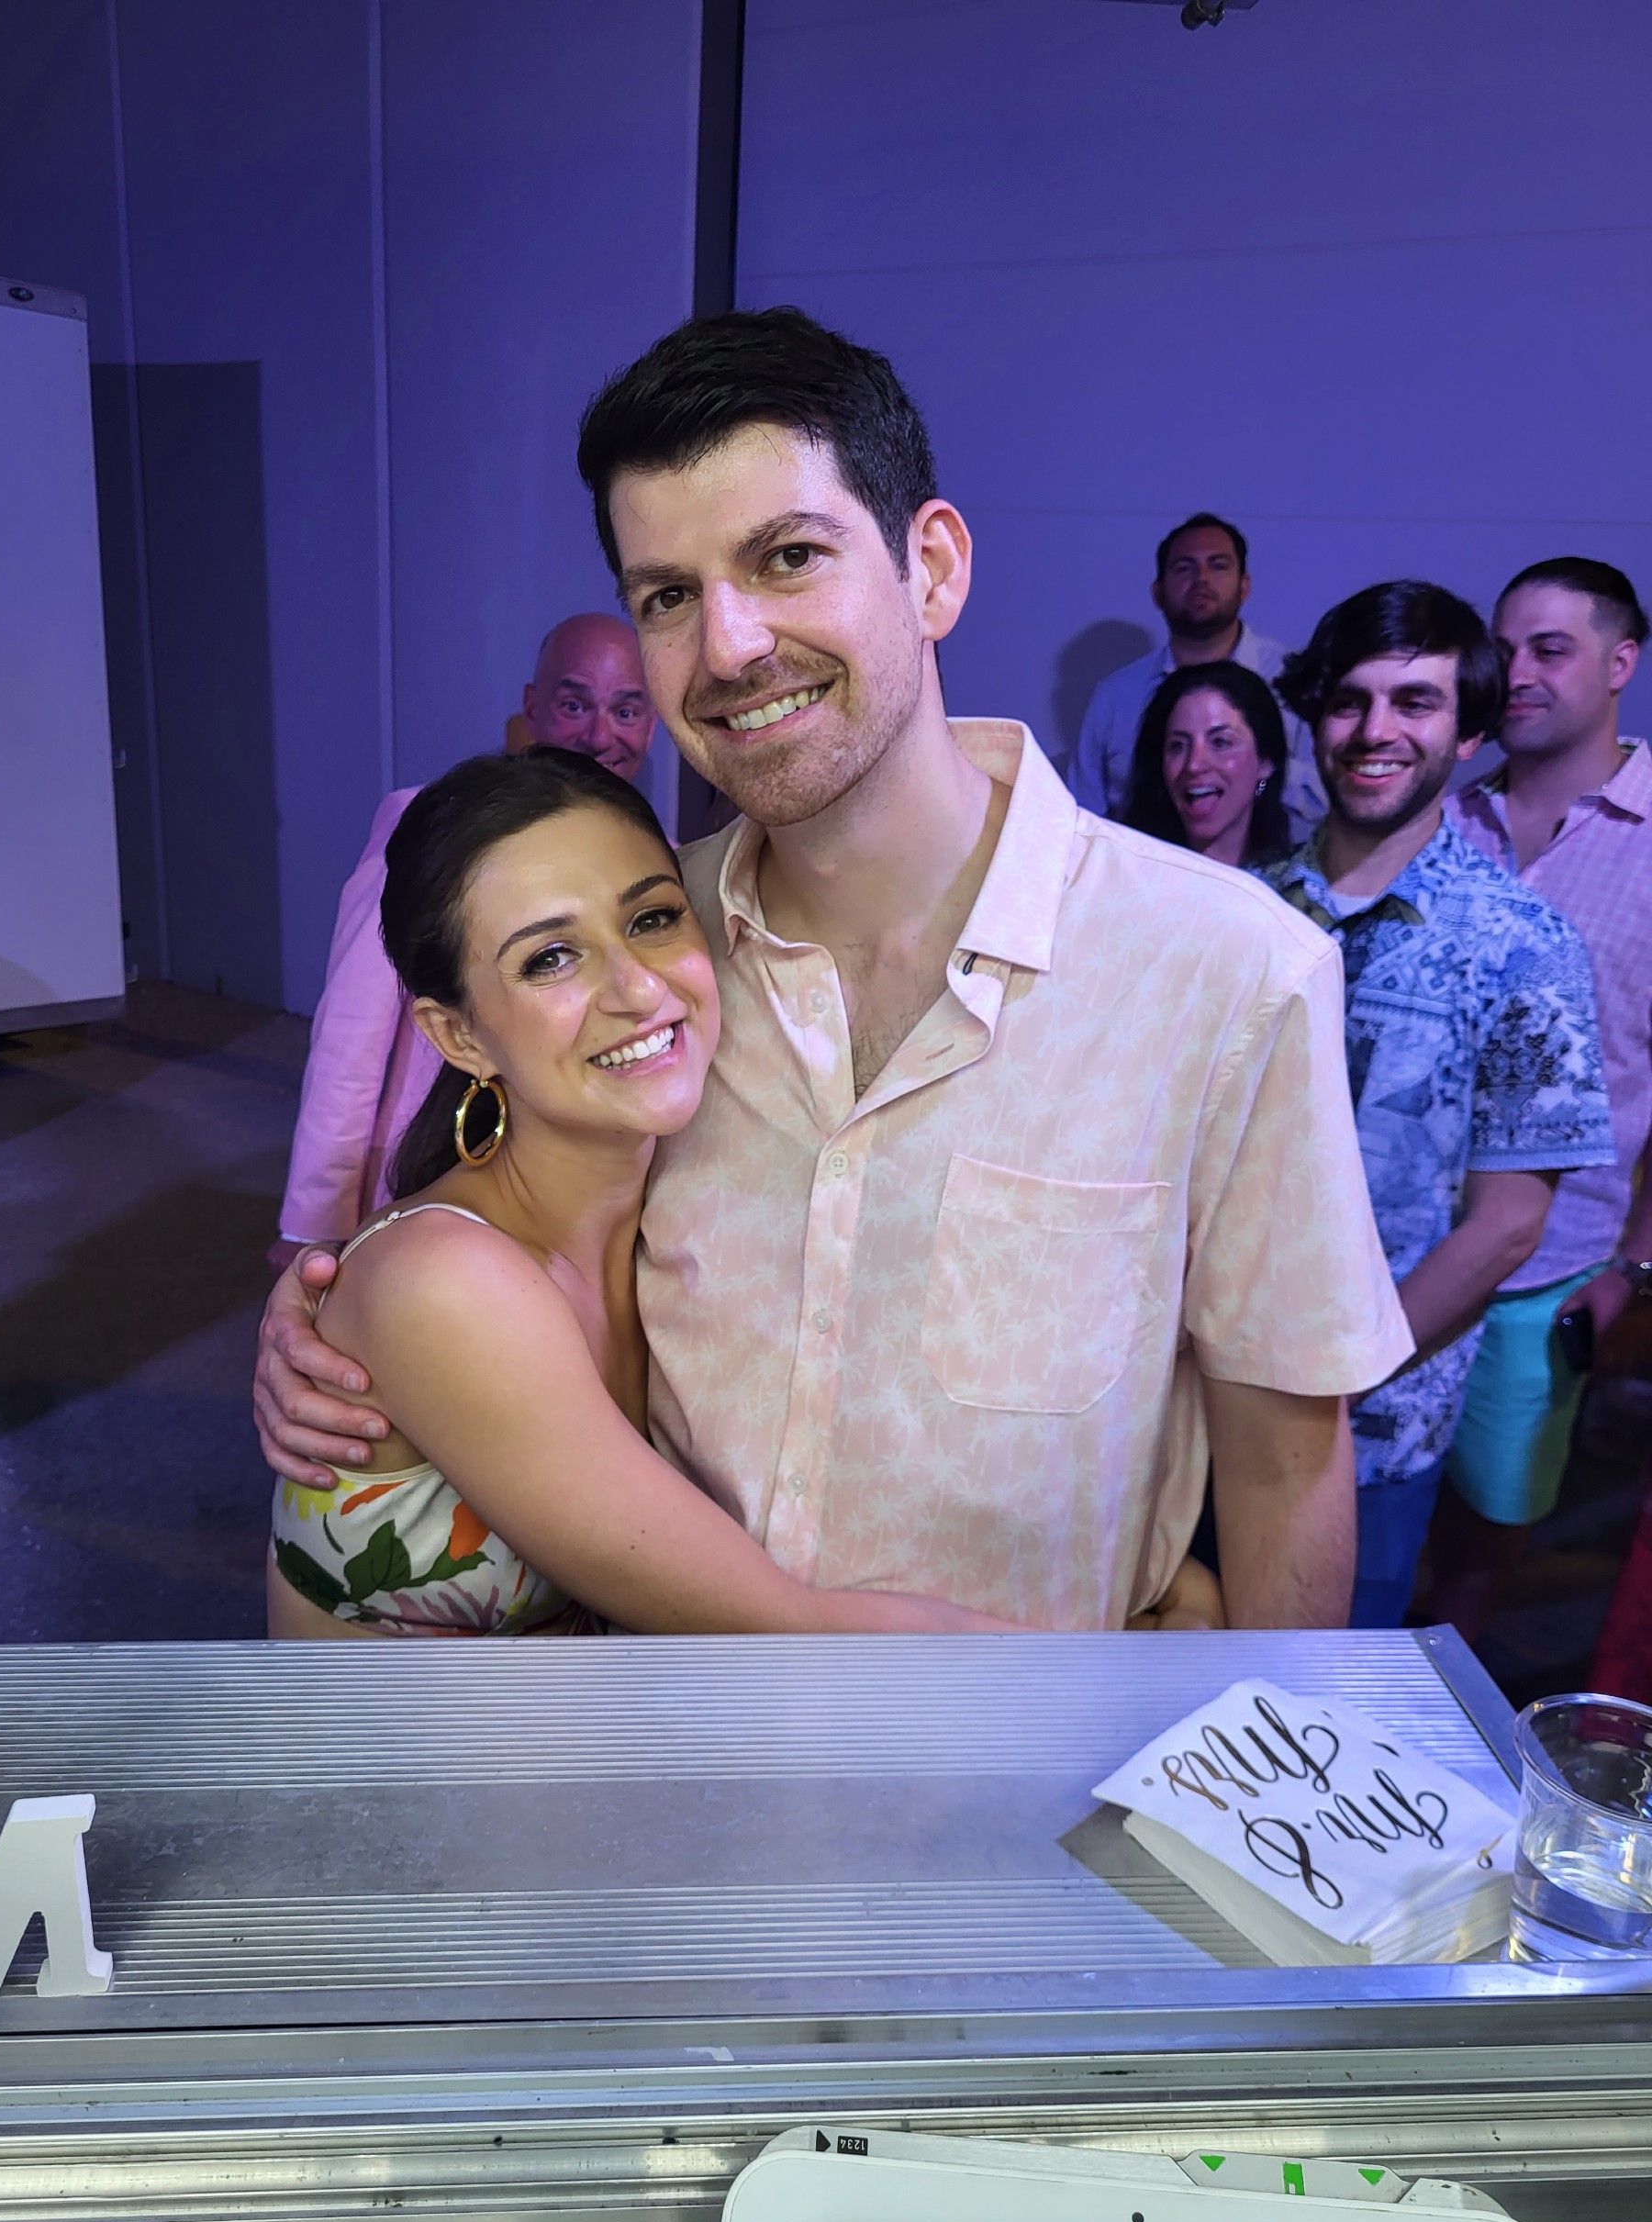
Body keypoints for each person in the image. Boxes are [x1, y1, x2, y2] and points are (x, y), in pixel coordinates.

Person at [257, 306, 1415, 1633]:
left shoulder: (1225, 970)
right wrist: (332, 1311)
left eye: (789, 557)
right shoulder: (658, 959)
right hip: (667, 1722)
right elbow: (498, 1237)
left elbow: (1283, 1457)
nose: (731, 646)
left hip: (1035, 1753)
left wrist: (1246, 1719)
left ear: (933, 570)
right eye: (668, 596)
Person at [268, 746, 1044, 1638]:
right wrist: (1118, 1677)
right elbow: (784, 1628)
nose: (638, 988)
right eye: (551, 958)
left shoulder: (683, 1196)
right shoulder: (447, 1283)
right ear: (459, 1036)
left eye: (652, 918)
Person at [1263, 582, 1614, 1631]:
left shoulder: (1522, 946)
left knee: (1315, 1696)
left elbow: (1509, 1224)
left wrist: (1339, 1374)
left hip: (1367, 1429)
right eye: (1350, 700)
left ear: (1467, 734)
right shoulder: (1243, 913)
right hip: (1198, 1400)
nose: (1375, 730)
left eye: (1414, 702)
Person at [272, 615, 656, 1269]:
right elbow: (350, 1033)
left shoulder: (656, 857)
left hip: (570, 1185)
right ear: (532, 707)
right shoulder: (431, 825)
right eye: (574, 705)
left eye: (626, 710)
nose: (600, 736)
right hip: (427, 1157)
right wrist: (314, 1220)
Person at [1428, 558, 1652, 1637]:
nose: (1515, 671)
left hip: (1554, 1271)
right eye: (1503, 648)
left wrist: (1635, 1273)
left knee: (1485, 1546)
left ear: (1620, 663)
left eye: (1550, 650)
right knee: (1376, 1518)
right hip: (1405, 1250)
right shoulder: (1441, 820)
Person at [1066, 513, 1323, 838]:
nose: (1201, 579)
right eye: (1184, 568)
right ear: (1158, 592)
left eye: (1218, 566)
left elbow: (1327, 800)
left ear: (1244, 586)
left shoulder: (1294, 678)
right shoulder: (1115, 696)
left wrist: (1255, 777)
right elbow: (1080, 821)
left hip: (1275, 865)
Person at [1120, 661, 1294, 869]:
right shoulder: (1122, 874)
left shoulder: (1295, 884)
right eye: (1178, 746)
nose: (1194, 765)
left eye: (1220, 742)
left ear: (1266, 761)